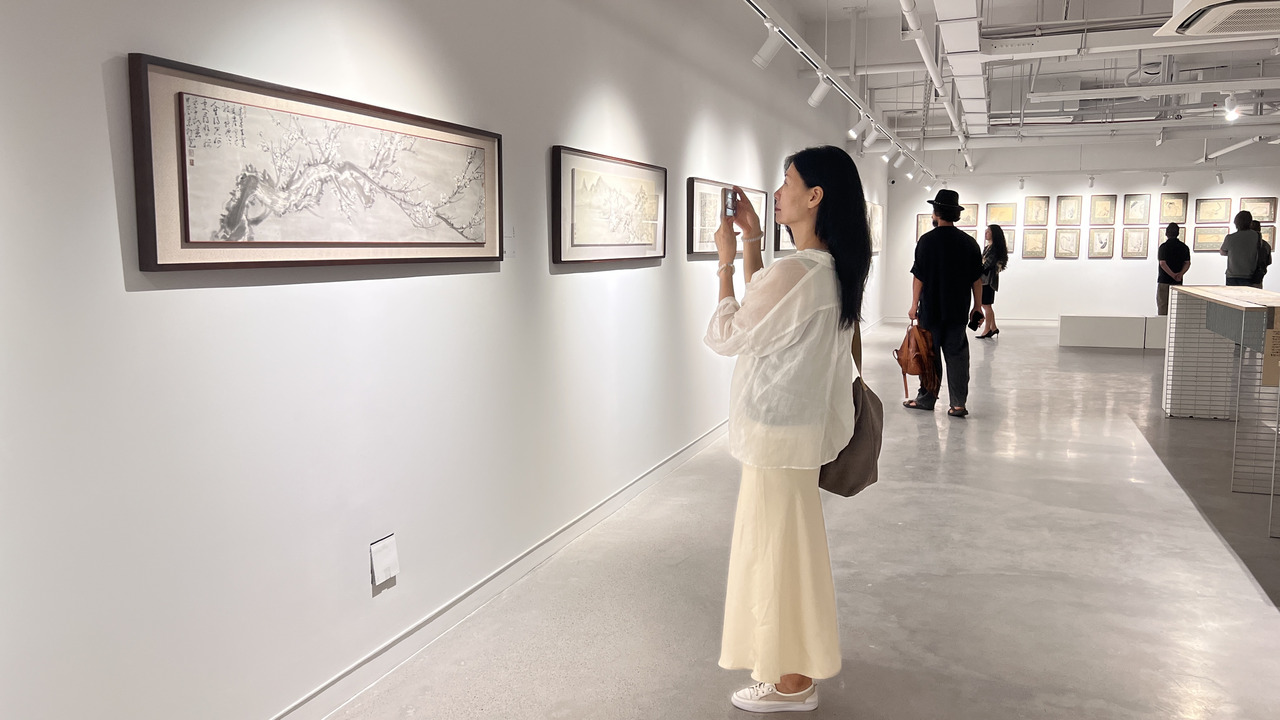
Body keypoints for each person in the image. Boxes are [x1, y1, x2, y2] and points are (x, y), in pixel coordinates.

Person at [704, 145, 871, 714]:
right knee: (786, 553)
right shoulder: (827, 270)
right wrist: (754, 240)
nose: (777, 193)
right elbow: (769, 315)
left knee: (777, 557)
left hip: (775, 437)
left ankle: (794, 683)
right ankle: (791, 670)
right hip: (795, 434)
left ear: (815, 196)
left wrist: (725, 263)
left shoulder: (797, 272)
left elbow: (731, 334)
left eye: (787, 182)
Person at [903, 189, 983, 417]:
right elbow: (976, 280)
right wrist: (977, 307)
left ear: (936, 212)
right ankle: (958, 404)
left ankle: (927, 399)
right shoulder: (969, 243)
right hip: (957, 310)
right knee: (957, 357)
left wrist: (913, 304)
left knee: (929, 356)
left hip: (931, 309)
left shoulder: (926, 241)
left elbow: (919, 276)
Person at [976, 224, 1009, 338]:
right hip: (984, 280)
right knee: (986, 305)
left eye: (988, 232)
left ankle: (987, 330)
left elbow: (987, 265)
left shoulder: (994, 249)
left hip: (988, 280)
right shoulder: (988, 247)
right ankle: (993, 328)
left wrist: (977, 270)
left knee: (986, 305)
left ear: (994, 234)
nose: (986, 234)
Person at [1157, 222, 1190, 315]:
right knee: (1176, 308)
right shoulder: (1184, 247)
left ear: (1166, 233)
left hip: (1164, 281)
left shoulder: (1163, 247)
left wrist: (1172, 275)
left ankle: (1162, 324)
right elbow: (1187, 263)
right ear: (1178, 233)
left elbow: (1162, 263)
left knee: (1163, 306)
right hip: (1178, 282)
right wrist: (1179, 274)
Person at [1220, 210, 1257, 286]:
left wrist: (1233, 253)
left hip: (1232, 274)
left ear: (1236, 222)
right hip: (1249, 274)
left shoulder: (1230, 237)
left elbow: (1222, 252)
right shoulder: (1256, 236)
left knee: (1231, 293)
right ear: (1250, 222)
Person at [1250, 219, 1271, 288]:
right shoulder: (1266, 245)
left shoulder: (1246, 244)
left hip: (1245, 276)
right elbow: (1269, 262)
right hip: (1259, 276)